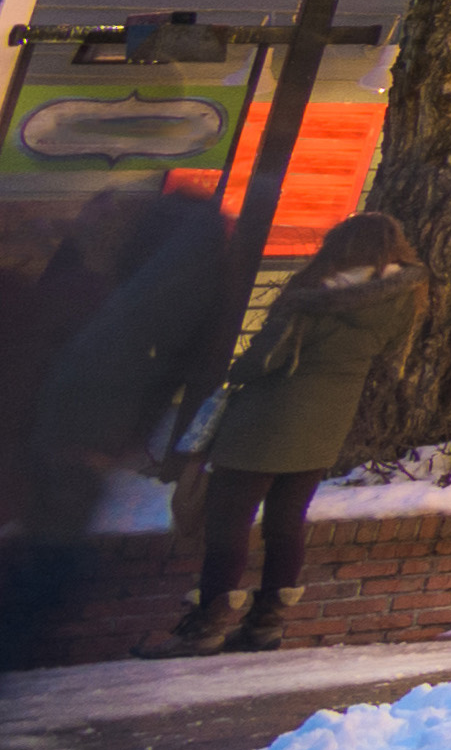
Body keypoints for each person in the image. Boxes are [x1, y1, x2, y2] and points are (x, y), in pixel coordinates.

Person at [169, 212, 427, 655]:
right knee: (286, 524)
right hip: (327, 424)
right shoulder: (403, 296)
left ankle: (205, 627)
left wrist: (234, 373)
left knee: (228, 523)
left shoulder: (313, 297)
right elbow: (389, 358)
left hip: (264, 421)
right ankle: (265, 625)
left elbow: (264, 360)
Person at [27, 179, 241, 549]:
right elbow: (182, 363)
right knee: (61, 523)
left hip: (63, 399)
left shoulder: (125, 265)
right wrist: (138, 428)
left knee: (49, 507)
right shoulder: (199, 277)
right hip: (102, 415)